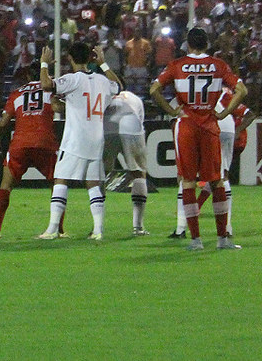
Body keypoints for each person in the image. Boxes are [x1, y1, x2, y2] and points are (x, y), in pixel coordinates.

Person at [150, 27, 246, 250]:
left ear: (188, 44)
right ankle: (223, 238)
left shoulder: (177, 64)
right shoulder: (219, 65)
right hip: (210, 125)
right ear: (207, 43)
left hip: (186, 125)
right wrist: (223, 113)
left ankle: (195, 240)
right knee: (216, 180)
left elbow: (154, 88)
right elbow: (241, 90)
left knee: (188, 182)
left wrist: (172, 111)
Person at [37, 43, 120, 240]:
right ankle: (98, 230)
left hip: (75, 139)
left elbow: (46, 85)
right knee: (93, 183)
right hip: (96, 138)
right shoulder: (101, 80)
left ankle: (52, 228)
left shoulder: (72, 79)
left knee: (61, 179)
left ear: (70, 58)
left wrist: (43, 64)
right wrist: (104, 64)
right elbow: (118, 87)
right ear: (91, 59)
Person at [169, 86, 253, 238]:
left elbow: (176, 118)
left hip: (204, 124)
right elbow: (249, 113)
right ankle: (227, 229)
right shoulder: (224, 90)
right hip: (226, 125)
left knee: (186, 177)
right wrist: (238, 129)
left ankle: (181, 228)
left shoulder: (188, 88)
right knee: (220, 176)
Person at [0, 73, 64, 239]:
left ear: (27, 74)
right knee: (57, 184)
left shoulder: (17, 93)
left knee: (6, 185)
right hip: (45, 142)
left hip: (20, 143)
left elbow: (3, 122)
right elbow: (59, 108)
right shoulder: (51, 90)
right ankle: (60, 229)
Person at [103, 90, 150, 235]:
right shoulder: (135, 98)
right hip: (131, 122)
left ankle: (97, 227)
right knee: (138, 173)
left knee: (100, 175)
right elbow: (140, 121)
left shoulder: (106, 96)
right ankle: (138, 226)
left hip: (107, 125)